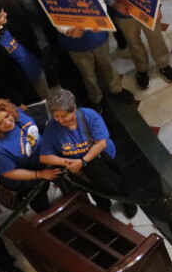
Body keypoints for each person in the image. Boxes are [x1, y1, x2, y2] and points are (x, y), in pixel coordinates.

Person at [50, 0, 133, 106]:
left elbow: (100, 0)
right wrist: (68, 30)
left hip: (97, 34)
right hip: (75, 41)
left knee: (107, 64)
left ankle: (116, 88)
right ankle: (96, 98)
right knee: (87, 73)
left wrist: (98, 18)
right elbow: (55, 19)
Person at [39, 89, 137, 217]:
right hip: (82, 170)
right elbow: (44, 157)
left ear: (74, 108)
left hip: (103, 161)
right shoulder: (52, 128)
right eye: (56, 117)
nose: (60, 121)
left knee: (117, 183)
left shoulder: (89, 116)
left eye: (64, 116)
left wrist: (82, 161)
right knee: (95, 190)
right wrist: (68, 162)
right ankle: (104, 207)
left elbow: (101, 143)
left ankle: (127, 201)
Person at [0, 99, 59, 214]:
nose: (7, 122)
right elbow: (10, 173)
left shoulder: (15, 112)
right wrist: (41, 174)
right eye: (0, 123)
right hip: (28, 182)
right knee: (40, 202)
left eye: (7, 116)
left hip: (46, 160)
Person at [0, 1, 49, 106]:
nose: (6, 14)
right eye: (1, 16)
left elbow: (28, 32)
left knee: (48, 102)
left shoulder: (10, 15)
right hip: (23, 93)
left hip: (38, 72)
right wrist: (17, 102)